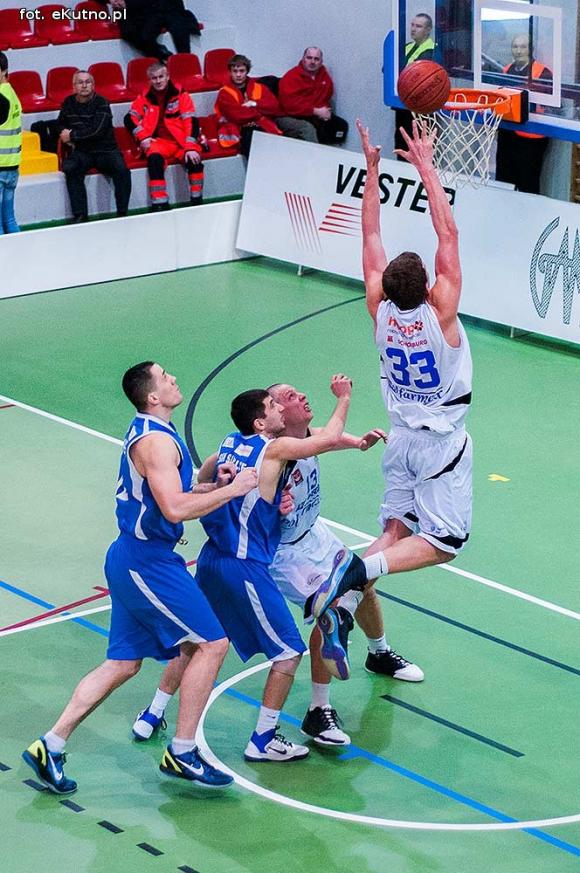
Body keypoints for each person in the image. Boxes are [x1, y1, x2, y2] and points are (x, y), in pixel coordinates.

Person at [131, 381, 422, 749]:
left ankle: (378, 652)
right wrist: (345, 396)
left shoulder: (237, 442)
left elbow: (319, 437)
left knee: (361, 585)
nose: (292, 402)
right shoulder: (279, 448)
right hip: (271, 554)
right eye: (279, 401)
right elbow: (325, 437)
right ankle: (312, 713)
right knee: (309, 629)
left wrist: (357, 442)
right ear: (265, 421)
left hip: (297, 535)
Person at [22, 361, 258, 795]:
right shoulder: (156, 444)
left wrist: (211, 485)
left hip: (131, 556)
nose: (173, 378)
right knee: (212, 642)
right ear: (152, 396)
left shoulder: (153, 434)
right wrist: (234, 489)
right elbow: (173, 510)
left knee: (123, 663)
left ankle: (50, 745)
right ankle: (183, 752)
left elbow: (172, 494)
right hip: (146, 561)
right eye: (166, 376)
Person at [355, 118, 472, 600]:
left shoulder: (376, 308)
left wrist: (372, 169)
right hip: (440, 444)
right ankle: (356, 574)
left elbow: (369, 237)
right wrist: (426, 166)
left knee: (395, 532)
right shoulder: (440, 314)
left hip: (399, 439)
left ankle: (343, 592)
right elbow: (448, 231)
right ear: (428, 287)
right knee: (445, 544)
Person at [126, 62, 205, 211]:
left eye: (161, 77)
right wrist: (142, 137)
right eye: (154, 78)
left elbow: (191, 121)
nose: (158, 81)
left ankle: (197, 200)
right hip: (159, 143)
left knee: (195, 161)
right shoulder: (144, 97)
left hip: (181, 142)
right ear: (149, 80)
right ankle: (160, 203)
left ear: (168, 77)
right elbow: (129, 119)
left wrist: (190, 147)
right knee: (154, 161)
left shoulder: (181, 94)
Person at [57, 71, 131, 224]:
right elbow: (60, 125)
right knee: (70, 168)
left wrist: (72, 136)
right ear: (74, 86)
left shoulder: (102, 103)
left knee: (122, 170)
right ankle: (80, 215)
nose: (84, 85)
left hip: (106, 150)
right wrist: (64, 135)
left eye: (87, 82)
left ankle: (122, 213)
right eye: (80, 82)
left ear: (93, 85)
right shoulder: (68, 103)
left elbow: (97, 131)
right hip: (83, 151)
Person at [495, 34, 552, 194]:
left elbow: (553, 105)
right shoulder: (507, 69)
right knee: (504, 181)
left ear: (531, 50)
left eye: (523, 47)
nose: (518, 51)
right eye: (515, 46)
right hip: (508, 131)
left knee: (528, 182)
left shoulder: (543, 72)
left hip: (531, 136)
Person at [277, 47, 349, 145]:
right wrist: (315, 111)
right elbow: (289, 105)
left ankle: (330, 154)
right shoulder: (291, 77)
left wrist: (325, 113)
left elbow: (325, 97)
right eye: (309, 58)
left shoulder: (324, 76)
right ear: (303, 59)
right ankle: (316, 158)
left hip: (311, 114)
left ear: (321, 61)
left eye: (316, 59)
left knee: (340, 125)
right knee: (307, 129)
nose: (312, 62)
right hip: (287, 116)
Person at [215, 54, 282, 158]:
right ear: (230, 72)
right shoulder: (224, 92)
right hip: (239, 131)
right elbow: (237, 116)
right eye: (235, 71)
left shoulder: (259, 87)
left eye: (241, 71)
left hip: (263, 126)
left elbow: (274, 107)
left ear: (247, 71)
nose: (238, 75)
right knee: (252, 140)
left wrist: (254, 104)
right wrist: (260, 112)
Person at [100, 0, 201, 62]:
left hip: (152, 10)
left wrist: (127, 3)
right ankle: (162, 54)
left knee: (146, 35)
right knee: (128, 32)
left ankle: (168, 58)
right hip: (127, 12)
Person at [395, 14, 435, 158]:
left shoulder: (432, 51)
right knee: (401, 148)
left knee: (418, 152)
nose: (413, 29)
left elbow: (415, 76)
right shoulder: (406, 47)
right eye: (412, 25)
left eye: (418, 26)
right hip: (402, 106)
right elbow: (389, 68)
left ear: (428, 29)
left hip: (420, 110)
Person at [0, 51, 22, 235]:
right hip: (12, 166)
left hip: (0, 167)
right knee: (9, 218)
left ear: (3, 71)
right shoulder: (11, 93)